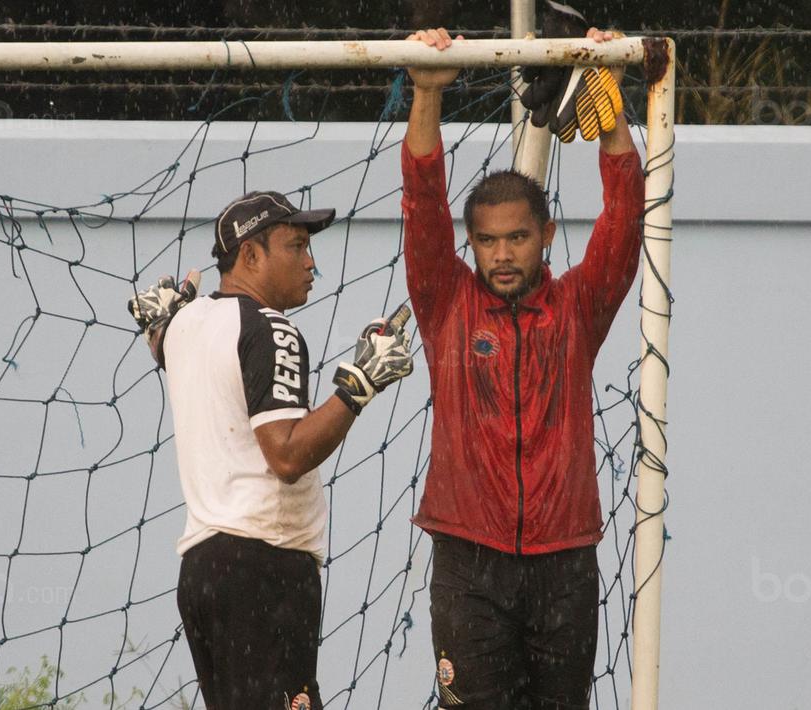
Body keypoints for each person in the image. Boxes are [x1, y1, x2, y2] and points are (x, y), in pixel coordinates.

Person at [401, 26, 645, 709]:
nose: (501, 254)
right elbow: (422, 205)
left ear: (545, 236)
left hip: (563, 564)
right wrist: (426, 91)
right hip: (467, 564)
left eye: (516, 237)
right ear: (470, 244)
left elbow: (625, 221)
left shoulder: (577, 307)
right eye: (486, 241)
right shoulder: (446, 302)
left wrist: (610, 105)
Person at [127, 190, 414, 710]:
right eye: (297, 246)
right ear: (251, 256)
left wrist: (161, 325)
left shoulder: (186, 325)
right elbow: (284, 458)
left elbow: (166, 343)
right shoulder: (272, 327)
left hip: (203, 572)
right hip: (263, 567)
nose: (311, 263)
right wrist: (360, 385)